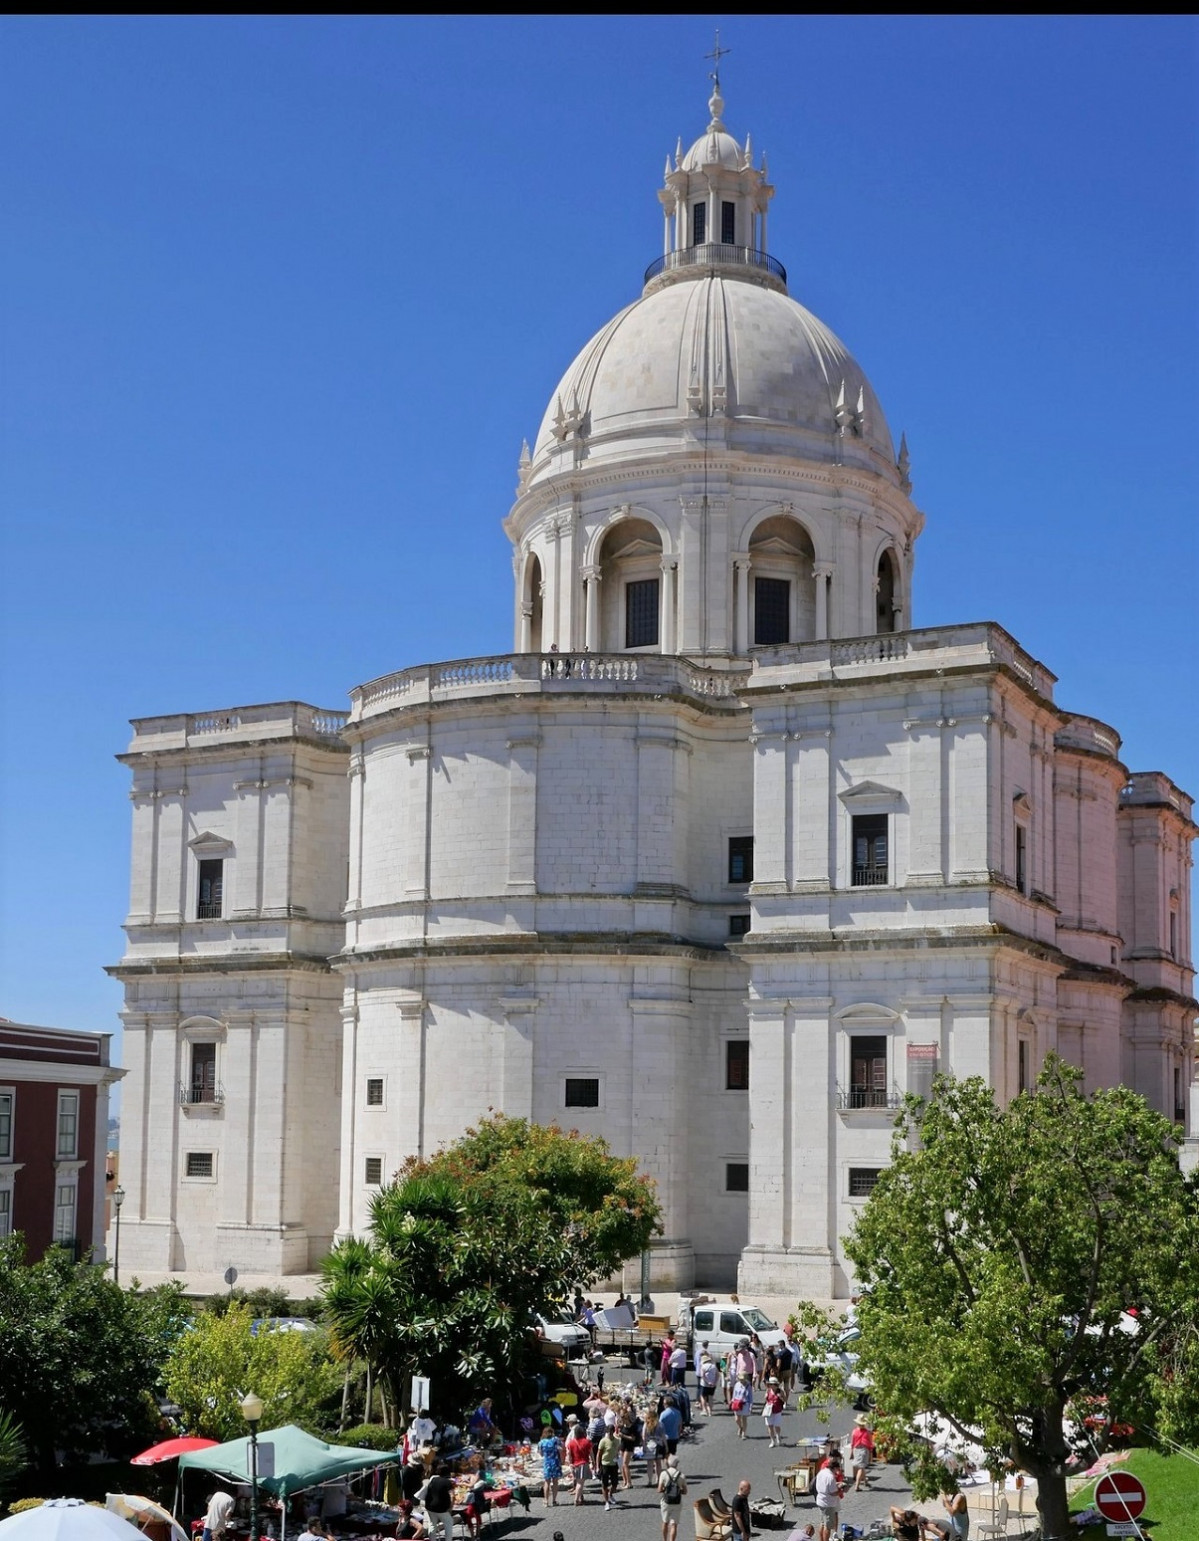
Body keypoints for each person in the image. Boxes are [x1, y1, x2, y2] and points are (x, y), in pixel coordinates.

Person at [418, 1466, 455, 1541]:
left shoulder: (433, 1479)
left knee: (432, 1524)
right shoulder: (448, 1482)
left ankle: (432, 1539)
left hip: (429, 1506)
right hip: (441, 1508)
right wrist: (450, 1507)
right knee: (449, 1523)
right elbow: (452, 1496)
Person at [814, 1453, 845, 1541]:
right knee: (828, 1526)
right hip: (828, 1503)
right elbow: (833, 1493)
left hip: (820, 1500)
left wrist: (836, 1484)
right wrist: (841, 1490)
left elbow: (825, 1486)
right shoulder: (831, 1477)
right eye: (837, 1469)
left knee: (822, 1523)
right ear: (834, 1468)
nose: (837, 1471)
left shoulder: (822, 1472)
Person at [657, 1454, 688, 1541]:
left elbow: (659, 1490)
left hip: (666, 1501)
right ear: (677, 1464)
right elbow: (685, 1492)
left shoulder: (663, 1474)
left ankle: (664, 1540)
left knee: (665, 1522)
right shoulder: (681, 1476)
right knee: (674, 1524)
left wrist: (666, 1490)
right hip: (677, 1502)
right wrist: (677, 1491)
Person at [565, 1415, 591, 1505]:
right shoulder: (583, 1439)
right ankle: (579, 1498)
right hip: (581, 1461)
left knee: (579, 1481)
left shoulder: (573, 1433)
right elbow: (590, 1451)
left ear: (571, 1422)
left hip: (575, 1460)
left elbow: (569, 1448)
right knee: (580, 1481)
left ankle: (578, 1498)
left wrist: (569, 1460)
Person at [538, 1424, 564, 1506]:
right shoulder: (555, 1439)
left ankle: (545, 1501)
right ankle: (554, 1500)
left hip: (547, 1463)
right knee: (555, 1482)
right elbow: (562, 1448)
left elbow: (541, 1454)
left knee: (547, 1482)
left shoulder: (541, 1442)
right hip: (555, 1462)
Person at [597, 1424, 621, 1511]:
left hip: (614, 1464)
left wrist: (618, 1457)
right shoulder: (603, 1441)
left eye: (611, 1432)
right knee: (605, 1484)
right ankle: (606, 1502)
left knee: (615, 1484)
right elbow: (599, 1454)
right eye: (608, 1432)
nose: (610, 1434)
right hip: (605, 1464)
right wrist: (597, 1466)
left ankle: (610, 1494)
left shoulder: (617, 1440)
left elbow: (617, 1450)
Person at [850, 1414, 875, 1491]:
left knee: (861, 1466)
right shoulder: (867, 1432)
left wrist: (851, 1452)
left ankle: (865, 1481)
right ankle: (857, 1485)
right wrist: (871, 1452)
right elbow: (870, 1443)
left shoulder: (854, 1432)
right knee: (861, 1467)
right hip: (864, 1450)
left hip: (856, 1449)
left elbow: (852, 1443)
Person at [730, 1370, 753, 1439]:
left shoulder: (748, 1386)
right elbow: (734, 1393)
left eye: (742, 1379)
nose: (741, 1380)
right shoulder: (737, 1384)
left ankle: (744, 1433)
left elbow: (750, 1397)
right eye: (740, 1379)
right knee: (737, 1419)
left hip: (745, 1403)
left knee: (744, 1419)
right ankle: (740, 1427)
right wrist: (732, 1400)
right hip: (737, 1403)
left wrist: (751, 1406)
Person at [762, 1378, 785, 1447]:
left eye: (773, 1384)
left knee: (777, 1426)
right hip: (769, 1411)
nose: (772, 1386)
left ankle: (778, 1436)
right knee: (770, 1426)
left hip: (777, 1411)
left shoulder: (780, 1391)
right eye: (770, 1384)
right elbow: (765, 1399)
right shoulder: (768, 1390)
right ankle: (772, 1441)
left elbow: (785, 1399)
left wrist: (780, 1397)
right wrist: (765, 1397)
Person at [697, 1350, 719, 1416]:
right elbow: (717, 1375)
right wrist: (714, 1382)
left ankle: (704, 1410)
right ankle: (710, 1412)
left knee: (703, 1397)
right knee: (711, 1397)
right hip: (713, 1384)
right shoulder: (714, 1366)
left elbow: (702, 1376)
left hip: (704, 1384)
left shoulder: (703, 1367)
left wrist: (708, 1382)